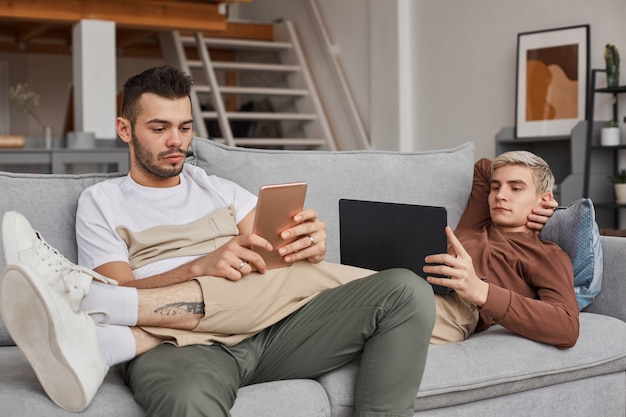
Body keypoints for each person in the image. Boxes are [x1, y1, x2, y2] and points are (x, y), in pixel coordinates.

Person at [0, 66, 437, 417]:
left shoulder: (217, 188)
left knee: (405, 289)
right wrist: (198, 267)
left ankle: (88, 320)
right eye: (159, 128)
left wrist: (306, 245)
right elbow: (121, 286)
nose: (177, 142)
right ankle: (102, 324)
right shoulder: (102, 202)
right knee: (186, 399)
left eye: (185, 127)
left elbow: (272, 266)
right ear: (125, 129)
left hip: (272, 331)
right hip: (183, 347)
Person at [425, 150, 579, 348]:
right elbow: (483, 167)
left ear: (543, 200)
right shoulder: (476, 222)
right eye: (495, 187)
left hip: (454, 306)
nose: (500, 196)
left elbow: (567, 327)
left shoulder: (545, 254)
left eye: (516, 188)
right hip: (413, 281)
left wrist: (481, 291)